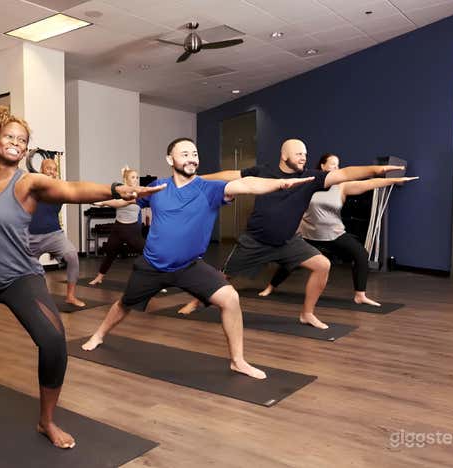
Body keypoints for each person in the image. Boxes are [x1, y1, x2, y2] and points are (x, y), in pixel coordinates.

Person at [0, 107, 164, 449]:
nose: (17, 143)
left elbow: (72, 189)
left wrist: (116, 189)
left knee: (54, 341)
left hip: (19, 278)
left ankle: (46, 421)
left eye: (23, 140)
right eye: (10, 136)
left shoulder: (28, 182)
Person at [81, 137, 317, 380]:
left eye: (194, 153)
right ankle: (99, 335)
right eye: (184, 154)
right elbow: (127, 199)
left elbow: (245, 184)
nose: (191, 158)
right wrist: (100, 199)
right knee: (124, 304)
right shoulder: (158, 187)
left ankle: (238, 361)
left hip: (189, 266)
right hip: (152, 265)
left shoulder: (209, 188)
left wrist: (280, 184)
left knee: (230, 298)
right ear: (170, 159)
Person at [178, 139, 406, 329]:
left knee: (322, 265)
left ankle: (307, 313)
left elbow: (345, 174)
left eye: (305, 154)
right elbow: (231, 174)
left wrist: (375, 170)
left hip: (287, 242)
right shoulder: (263, 171)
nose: (303, 157)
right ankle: (196, 302)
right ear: (284, 155)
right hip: (255, 241)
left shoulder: (311, 178)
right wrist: (199, 179)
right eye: (298, 153)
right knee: (225, 276)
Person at [257, 153, 418, 306]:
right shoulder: (308, 184)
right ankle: (271, 287)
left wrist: (395, 180)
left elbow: (368, 183)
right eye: (332, 164)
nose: (336, 167)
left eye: (338, 165)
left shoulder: (342, 187)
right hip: (308, 234)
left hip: (334, 234)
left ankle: (360, 295)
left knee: (361, 254)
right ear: (322, 165)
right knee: (289, 261)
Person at [27, 159, 86, 307]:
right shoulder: (32, 186)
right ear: (41, 170)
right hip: (30, 237)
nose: (52, 172)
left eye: (55, 169)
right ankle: (31, 299)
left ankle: (70, 296)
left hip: (54, 235)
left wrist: (107, 198)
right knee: (27, 271)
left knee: (72, 256)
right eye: (49, 169)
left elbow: (80, 193)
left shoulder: (60, 189)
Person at [88, 166, 145, 286]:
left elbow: (121, 203)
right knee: (110, 253)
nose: (136, 180)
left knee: (147, 254)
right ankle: (99, 277)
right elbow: (118, 192)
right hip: (118, 228)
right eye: (133, 177)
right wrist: (124, 176)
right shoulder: (121, 191)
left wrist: (103, 203)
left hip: (132, 229)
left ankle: (157, 282)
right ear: (126, 180)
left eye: (137, 177)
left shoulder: (139, 193)